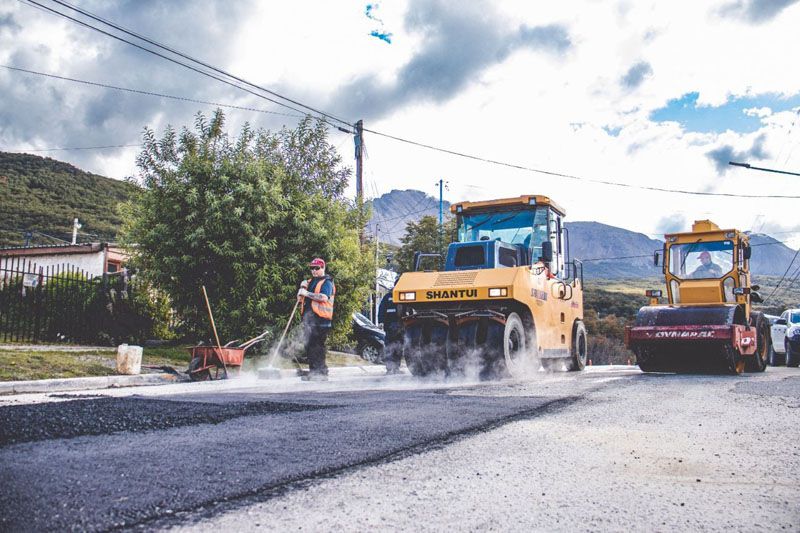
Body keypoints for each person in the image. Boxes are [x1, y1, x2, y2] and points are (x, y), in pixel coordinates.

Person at [297, 258, 336, 381]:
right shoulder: (310, 282)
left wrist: (306, 293)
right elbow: (301, 298)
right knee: (309, 346)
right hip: (309, 321)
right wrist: (301, 291)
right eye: (312, 268)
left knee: (317, 347)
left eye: (316, 268)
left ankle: (321, 373)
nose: (314, 271)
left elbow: (323, 297)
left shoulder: (327, 282)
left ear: (323, 268)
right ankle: (314, 372)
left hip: (321, 321)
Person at [378, 287, 404, 374]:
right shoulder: (388, 297)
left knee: (398, 349)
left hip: (400, 328)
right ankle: (389, 369)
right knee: (390, 348)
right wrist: (381, 321)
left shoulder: (403, 295)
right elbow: (381, 309)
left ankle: (396, 368)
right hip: (390, 327)